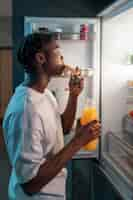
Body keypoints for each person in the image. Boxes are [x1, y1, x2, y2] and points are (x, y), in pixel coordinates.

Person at [3, 32, 100, 200]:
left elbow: (62, 128)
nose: (62, 57)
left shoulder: (45, 94)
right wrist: (78, 142)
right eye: (56, 51)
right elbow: (30, 184)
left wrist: (74, 96)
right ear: (41, 58)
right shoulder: (26, 110)